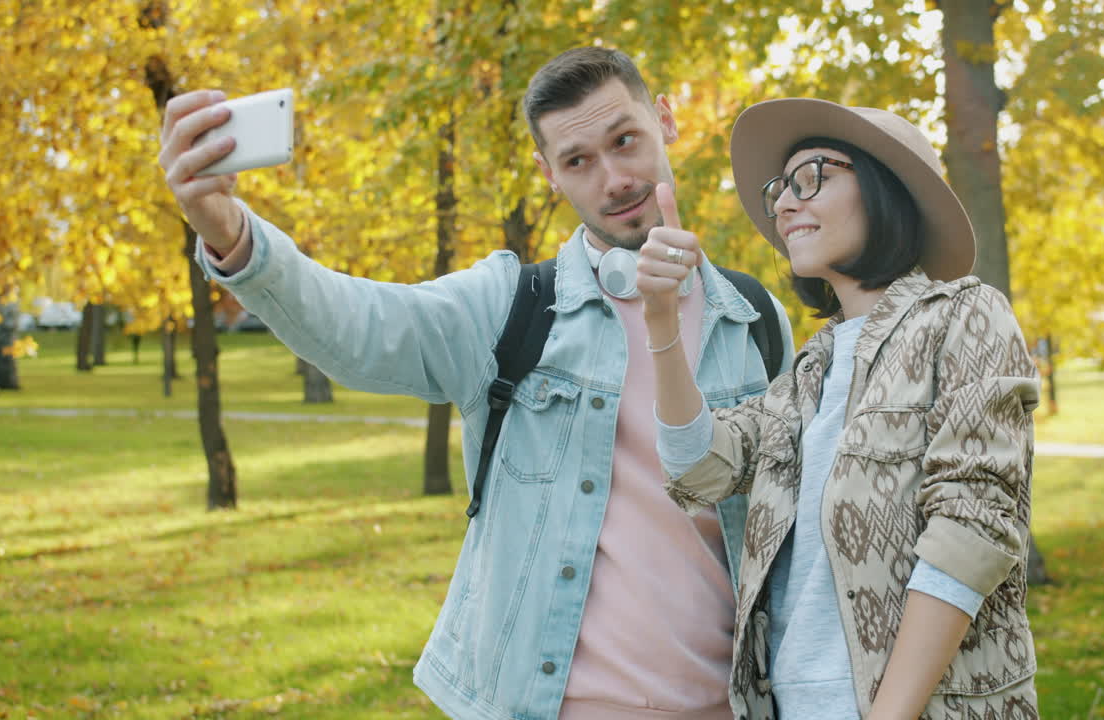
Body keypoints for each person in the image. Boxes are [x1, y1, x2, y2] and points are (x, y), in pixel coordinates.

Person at [157, 47, 793, 720]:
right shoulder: (509, 307)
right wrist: (231, 235)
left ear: (665, 120)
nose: (613, 179)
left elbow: (789, 546)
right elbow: (359, 327)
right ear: (549, 175)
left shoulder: (757, 324)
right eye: (578, 160)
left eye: (624, 141)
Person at [635, 98, 1040, 719]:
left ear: (885, 188)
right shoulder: (807, 373)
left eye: (811, 178)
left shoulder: (965, 314)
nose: (783, 203)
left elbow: (973, 529)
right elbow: (699, 468)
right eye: (781, 188)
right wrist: (661, 319)